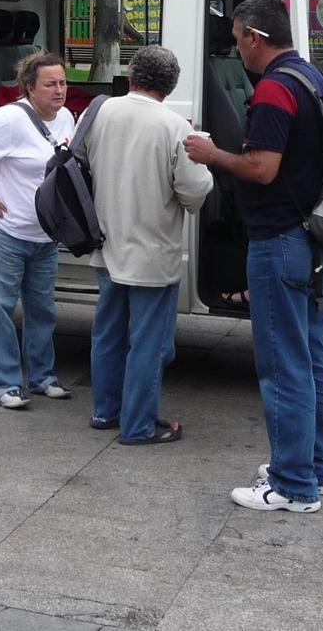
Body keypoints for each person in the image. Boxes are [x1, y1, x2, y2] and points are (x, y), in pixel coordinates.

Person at [183, 0, 323, 513]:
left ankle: (293, 486)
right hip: (314, 237)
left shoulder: (273, 89)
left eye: (237, 38)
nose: (236, 49)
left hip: (278, 241)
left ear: (253, 34)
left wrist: (212, 155)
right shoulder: (314, 78)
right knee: (313, 357)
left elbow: (261, 168)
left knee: (282, 366)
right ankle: (317, 467)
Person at [75, 46, 213, 445]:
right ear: (169, 86)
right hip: (152, 252)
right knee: (148, 343)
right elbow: (194, 192)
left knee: (108, 333)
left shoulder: (97, 112)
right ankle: (138, 426)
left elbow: (80, 162)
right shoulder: (175, 127)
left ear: (131, 75)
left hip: (105, 243)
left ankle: (106, 412)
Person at [0, 51, 75, 409]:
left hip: (44, 235)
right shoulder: (10, 118)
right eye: (50, 84)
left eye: (63, 82)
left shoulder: (66, 117)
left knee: (43, 310)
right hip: (5, 232)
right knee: (0, 310)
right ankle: (5, 384)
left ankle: (42, 377)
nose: (60, 90)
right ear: (29, 88)